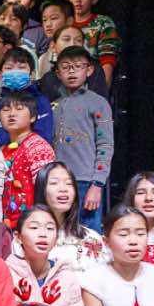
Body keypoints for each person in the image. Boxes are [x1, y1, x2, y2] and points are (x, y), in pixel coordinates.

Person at [5, 205, 89, 306]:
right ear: (18, 237)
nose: (43, 234)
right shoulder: (5, 272)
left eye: (50, 228)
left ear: (56, 238)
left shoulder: (66, 276)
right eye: (34, 227)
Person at [49, 47, 113, 221]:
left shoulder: (98, 103)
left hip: (86, 180)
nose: (72, 71)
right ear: (58, 73)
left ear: (89, 70)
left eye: (78, 66)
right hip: (56, 180)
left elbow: (105, 145)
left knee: (87, 232)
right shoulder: (53, 106)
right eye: (65, 67)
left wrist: (97, 184)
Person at [0, 91, 56, 225]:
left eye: (19, 109)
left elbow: (46, 191)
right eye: (6, 110)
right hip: (5, 223)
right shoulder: (0, 151)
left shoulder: (38, 147)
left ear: (32, 117)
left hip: (31, 223)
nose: (11, 114)